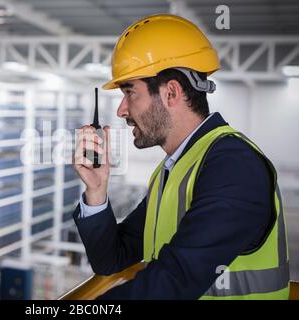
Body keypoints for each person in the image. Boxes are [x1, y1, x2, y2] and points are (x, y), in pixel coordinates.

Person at [72, 14, 289, 299]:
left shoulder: (234, 166)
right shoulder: (175, 169)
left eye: (130, 92)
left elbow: (174, 281)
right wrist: (97, 191)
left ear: (171, 92)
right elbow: (111, 259)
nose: (121, 110)